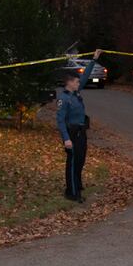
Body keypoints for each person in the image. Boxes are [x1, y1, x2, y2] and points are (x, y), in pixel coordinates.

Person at [56, 50, 102, 202]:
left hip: (81, 132)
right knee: (73, 163)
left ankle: (78, 184)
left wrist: (94, 59)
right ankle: (72, 192)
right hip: (72, 133)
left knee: (80, 161)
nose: (78, 83)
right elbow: (60, 120)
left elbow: (85, 76)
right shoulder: (64, 99)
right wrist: (66, 139)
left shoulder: (76, 93)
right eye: (76, 82)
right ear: (69, 83)